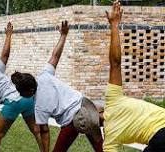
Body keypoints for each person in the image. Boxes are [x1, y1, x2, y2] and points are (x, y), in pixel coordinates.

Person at [12, 21, 103, 152]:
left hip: (73, 120)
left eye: (21, 93)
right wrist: (63, 35)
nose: (21, 96)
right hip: (87, 107)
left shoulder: (39, 106)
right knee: (100, 147)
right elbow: (55, 56)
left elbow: (44, 131)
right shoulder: (44, 75)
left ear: (30, 91)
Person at [103, 1, 165, 151]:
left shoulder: (110, 140)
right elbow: (115, 63)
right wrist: (114, 25)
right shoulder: (112, 100)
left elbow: (115, 63)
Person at [0, 22, 43, 152]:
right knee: (36, 131)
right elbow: (5, 55)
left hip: (13, 102)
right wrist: (9, 35)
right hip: (27, 98)